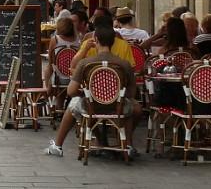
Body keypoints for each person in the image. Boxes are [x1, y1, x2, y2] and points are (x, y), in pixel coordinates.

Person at [44, 25, 142, 157]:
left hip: (91, 106)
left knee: (73, 103)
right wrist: (117, 96)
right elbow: (131, 92)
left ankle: (58, 146)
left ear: (95, 39)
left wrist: (88, 94)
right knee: (134, 107)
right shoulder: (124, 64)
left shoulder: (86, 63)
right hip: (118, 107)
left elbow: (71, 91)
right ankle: (127, 145)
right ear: (113, 41)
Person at [43, 17, 79, 113]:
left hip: (59, 79)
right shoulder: (78, 40)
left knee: (49, 68)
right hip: (74, 78)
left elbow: (51, 61)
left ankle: (49, 92)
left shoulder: (55, 40)